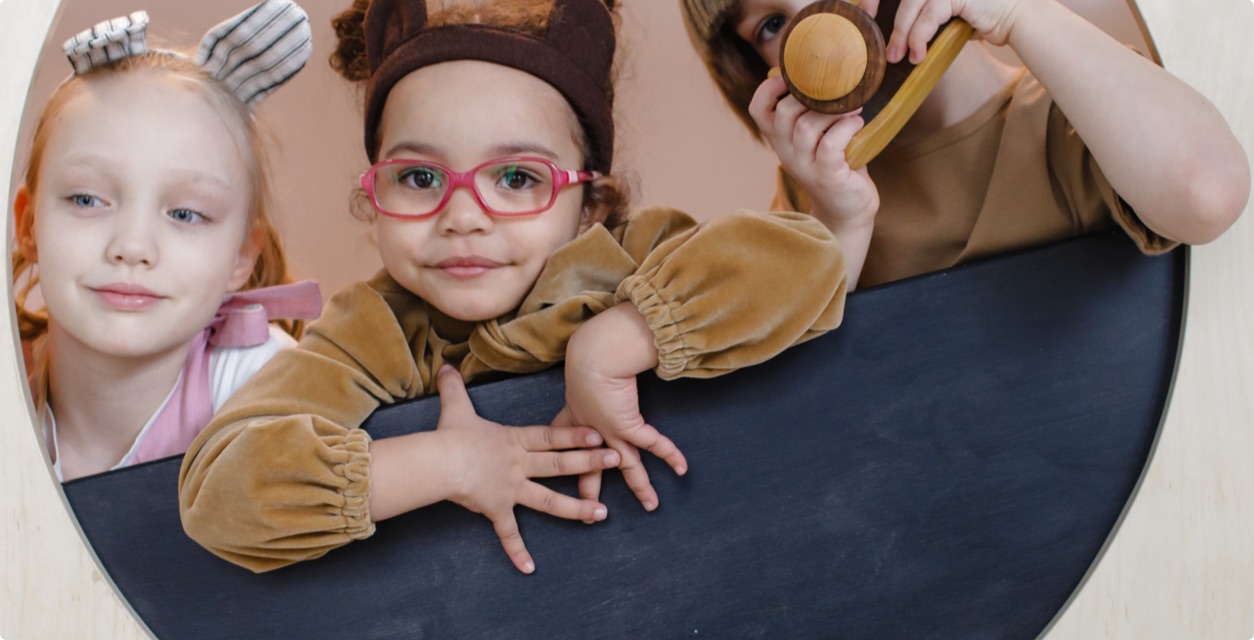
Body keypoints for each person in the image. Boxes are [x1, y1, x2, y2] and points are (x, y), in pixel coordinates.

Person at [178, 0, 848, 575]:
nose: (463, 216)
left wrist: (617, 340)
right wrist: (451, 463)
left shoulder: (630, 256)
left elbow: (811, 260)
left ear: (589, 205)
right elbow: (218, 492)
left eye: (518, 178)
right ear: (372, 197)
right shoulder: (376, 327)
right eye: (419, 178)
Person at [680, 0, 1250, 287]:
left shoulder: (1078, 111)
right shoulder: (811, 195)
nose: (817, 28)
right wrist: (841, 222)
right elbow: (796, 387)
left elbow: (1207, 193)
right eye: (772, 25)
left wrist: (1018, 12)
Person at [11, 1, 322, 482]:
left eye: (185, 214)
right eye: (88, 199)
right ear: (28, 224)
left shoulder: (264, 387)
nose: (133, 247)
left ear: (242, 255)